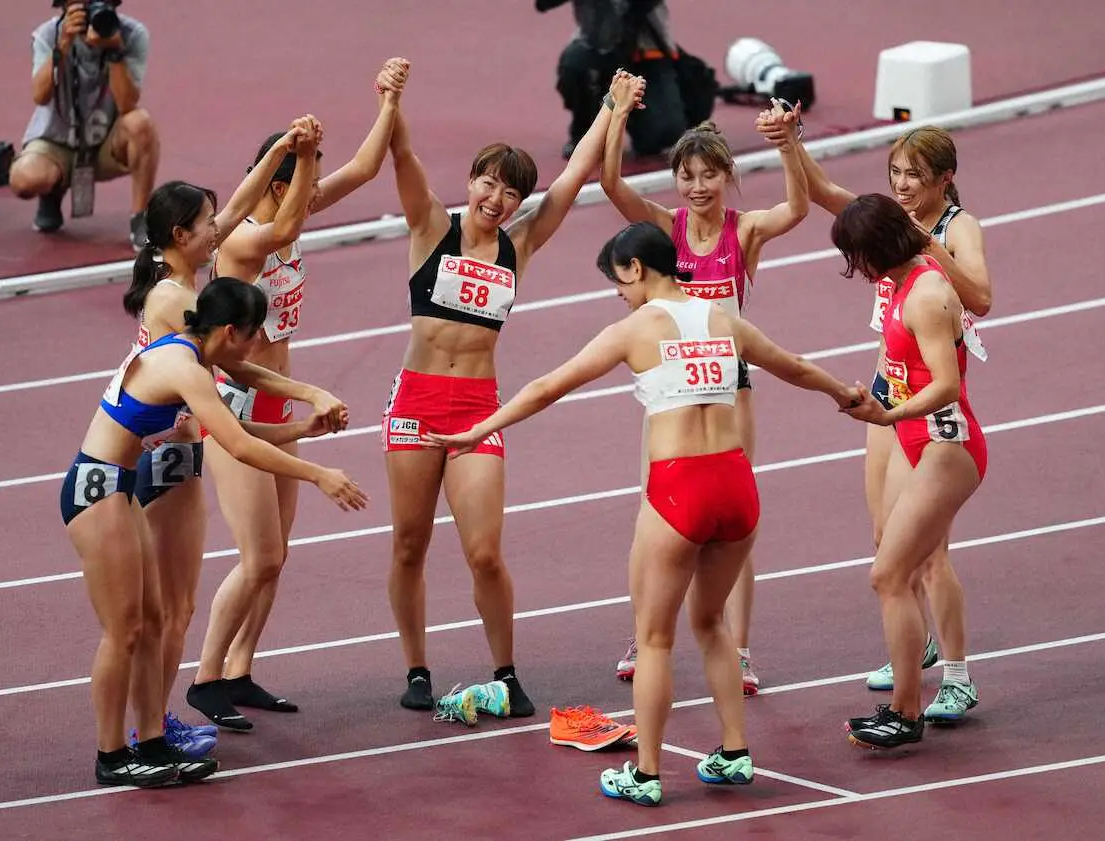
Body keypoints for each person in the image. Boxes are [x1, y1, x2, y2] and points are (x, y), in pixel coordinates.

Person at [425, 222, 860, 805]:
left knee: (654, 638)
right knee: (712, 625)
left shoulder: (635, 328)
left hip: (680, 488)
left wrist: (480, 428)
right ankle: (734, 752)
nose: (621, 295)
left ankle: (647, 774)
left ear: (634, 268)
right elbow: (797, 366)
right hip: (736, 484)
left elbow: (549, 386)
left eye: (618, 283)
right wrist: (847, 396)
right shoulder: (721, 318)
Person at [381, 66, 637, 718]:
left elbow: (576, 174)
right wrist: (391, 98)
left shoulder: (517, 247)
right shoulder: (429, 228)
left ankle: (506, 670)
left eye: (511, 190)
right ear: (471, 182)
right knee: (410, 543)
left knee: (485, 551)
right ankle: (416, 667)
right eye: (488, 182)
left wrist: (610, 106)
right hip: (415, 404)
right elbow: (401, 153)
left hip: (476, 408)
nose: (497, 197)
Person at [62, 277, 367, 787]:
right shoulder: (185, 367)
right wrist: (318, 474)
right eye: (252, 336)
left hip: (121, 487)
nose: (254, 348)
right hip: (97, 489)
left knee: (154, 622)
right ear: (230, 331)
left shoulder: (190, 354)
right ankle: (111, 756)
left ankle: (152, 741)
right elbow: (239, 448)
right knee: (125, 631)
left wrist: (300, 431)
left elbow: (236, 430)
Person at [186, 61, 407, 731]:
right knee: (257, 555)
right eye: (303, 180)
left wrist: (389, 101)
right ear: (279, 183)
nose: (310, 199)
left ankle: (241, 669)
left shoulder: (290, 207)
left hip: (277, 398)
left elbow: (367, 169)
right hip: (235, 406)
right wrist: (301, 152)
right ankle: (204, 679)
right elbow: (282, 231)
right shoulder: (248, 240)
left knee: (277, 555)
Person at [123, 122, 349, 745]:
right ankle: (152, 726)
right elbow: (232, 385)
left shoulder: (185, 279)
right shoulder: (176, 303)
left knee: (180, 605)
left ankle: (165, 717)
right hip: (150, 452)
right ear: (180, 236)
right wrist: (317, 462)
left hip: (175, 443)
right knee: (156, 613)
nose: (221, 227)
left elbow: (246, 204)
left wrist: (283, 151)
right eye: (209, 222)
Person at [769, 116, 992, 722]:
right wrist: (790, 143)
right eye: (894, 173)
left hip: (926, 399)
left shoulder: (952, 228)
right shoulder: (884, 223)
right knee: (884, 540)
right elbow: (824, 197)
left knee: (928, 553)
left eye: (913, 176)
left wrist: (924, 243)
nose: (901, 185)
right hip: (886, 394)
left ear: (945, 180)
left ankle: (959, 675)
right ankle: (910, 642)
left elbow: (983, 299)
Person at [600, 83, 808, 693]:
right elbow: (612, 185)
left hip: (730, 388)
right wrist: (616, 116)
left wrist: (790, 145)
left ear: (727, 176)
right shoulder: (666, 231)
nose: (697, 186)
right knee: (653, 506)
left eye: (709, 175)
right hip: (669, 390)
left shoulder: (743, 233)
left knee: (737, 524)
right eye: (686, 175)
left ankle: (739, 650)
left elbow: (796, 209)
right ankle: (644, 633)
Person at [832, 194, 988, 749]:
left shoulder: (925, 293)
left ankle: (906, 711)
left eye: (855, 256)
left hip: (948, 445)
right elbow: (903, 367)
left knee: (887, 574)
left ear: (874, 251)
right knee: (894, 558)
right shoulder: (901, 282)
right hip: (913, 437)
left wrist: (888, 414)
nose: (855, 268)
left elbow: (946, 385)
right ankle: (909, 691)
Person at [9, 0, 159, 248]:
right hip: (58, 142)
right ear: (65, 6)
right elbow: (40, 95)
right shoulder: (48, 34)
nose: (91, 10)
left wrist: (115, 52)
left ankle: (140, 218)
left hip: (107, 145)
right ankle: (51, 193)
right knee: (24, 178)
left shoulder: (131, 34)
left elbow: (126, 104)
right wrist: (62, 47)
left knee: (141, 124)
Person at [538, 0, 698, 158]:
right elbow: (543, 4)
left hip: (645, 54)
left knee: (662, 134)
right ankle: (585, 128)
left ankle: (638, 117)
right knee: (574, 66)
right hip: (595, 45)